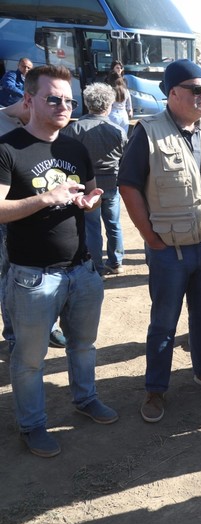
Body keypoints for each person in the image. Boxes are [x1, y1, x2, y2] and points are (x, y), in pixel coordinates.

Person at [0, 64, 115, 458]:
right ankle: (31, 426)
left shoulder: (74, 146)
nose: (64, 106)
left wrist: (89, 200)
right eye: (54, 98)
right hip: (33, 277)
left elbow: (95, 189)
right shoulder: (8, 148)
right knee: (30, 360)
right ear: (29, 100)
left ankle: (85, 399)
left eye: (69, 100)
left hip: (82, 270)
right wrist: (47, 198)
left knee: (83, 346)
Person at [118, 59, 201, 423]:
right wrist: (150, 238)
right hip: (169, 250)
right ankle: (156, 388)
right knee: (164, 322)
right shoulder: (148, 132)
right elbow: (129, 186)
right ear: (172, 94)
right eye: (195, 90)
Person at [0, 100, 67, 353]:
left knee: (49, 272)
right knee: (10, 276)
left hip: (44, 214)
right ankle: (14, 333)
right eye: (51, 100)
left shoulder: (47, 127)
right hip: (12, 215)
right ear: (30, 101)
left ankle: (49, 327)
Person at [60, 82, 127, 277]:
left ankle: (97, 267)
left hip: (86, 187)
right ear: (109, 104)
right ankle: (116, 262)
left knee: (92, 228)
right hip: (111, 184)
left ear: (88, 103)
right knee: (114, 224)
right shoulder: (118, 130)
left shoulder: (74, 129)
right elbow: (126, 158)